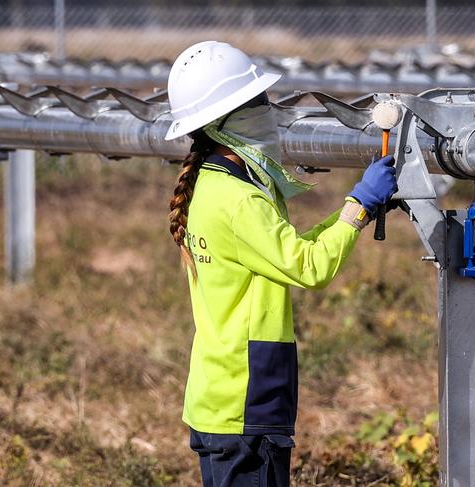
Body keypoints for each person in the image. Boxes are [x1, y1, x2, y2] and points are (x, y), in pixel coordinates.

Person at [165, 41, 397, 487]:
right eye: (257, 103)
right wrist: (360, 205)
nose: (268, 112)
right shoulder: (240, 199)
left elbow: (284, 253)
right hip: (246, 400)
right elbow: (309, 266)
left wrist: (356, 210)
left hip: (219, 398)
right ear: (226, 121)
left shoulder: (209, 186)